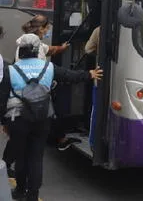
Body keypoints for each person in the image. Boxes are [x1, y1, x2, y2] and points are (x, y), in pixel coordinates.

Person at [0, 34, 102, 201]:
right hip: (42, 119)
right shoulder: (49, 67)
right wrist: (90, 74)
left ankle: (19, 191)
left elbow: (2, 98)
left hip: (17, 120)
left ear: (21, 51)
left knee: (21, 157)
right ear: (37, 51)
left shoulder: (10, 70)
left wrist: (3, 122)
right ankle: (33, 195)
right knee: (36, 158)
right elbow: (71, 76)